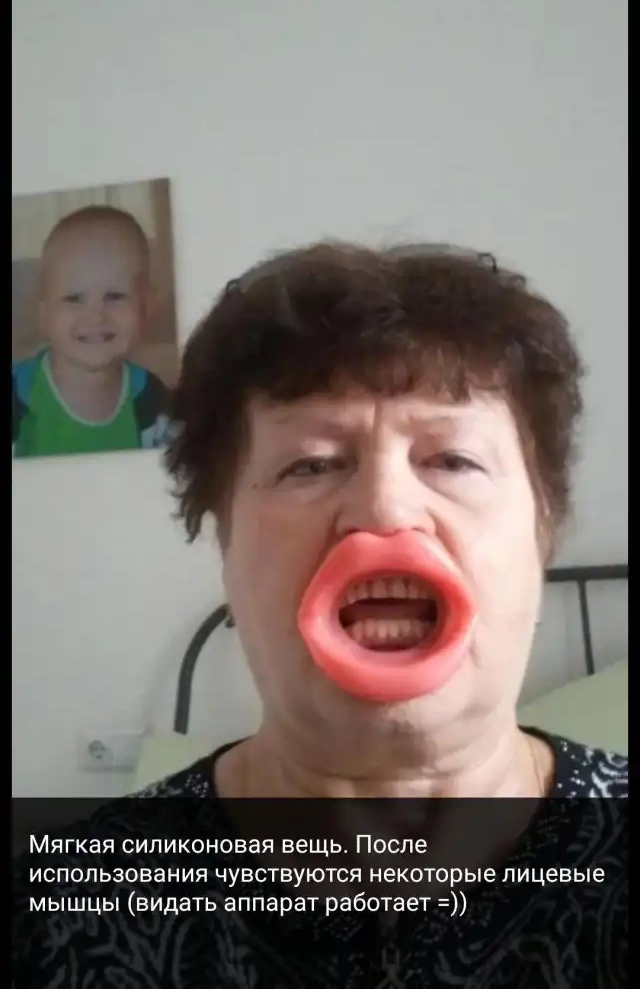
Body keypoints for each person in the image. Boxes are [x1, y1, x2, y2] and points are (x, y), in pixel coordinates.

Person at [13, 242, 627, 987]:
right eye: (309, 464)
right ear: (224, 540)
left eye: (452, 460)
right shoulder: (60, 922)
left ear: (542, 534)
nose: (385, 510)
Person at [12, 204, 173, 457]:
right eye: (74, 298)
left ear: (144, 307)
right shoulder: (18, 394)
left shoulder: (150, 399)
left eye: (115, 296)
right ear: (43, 313)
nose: (96, 316)